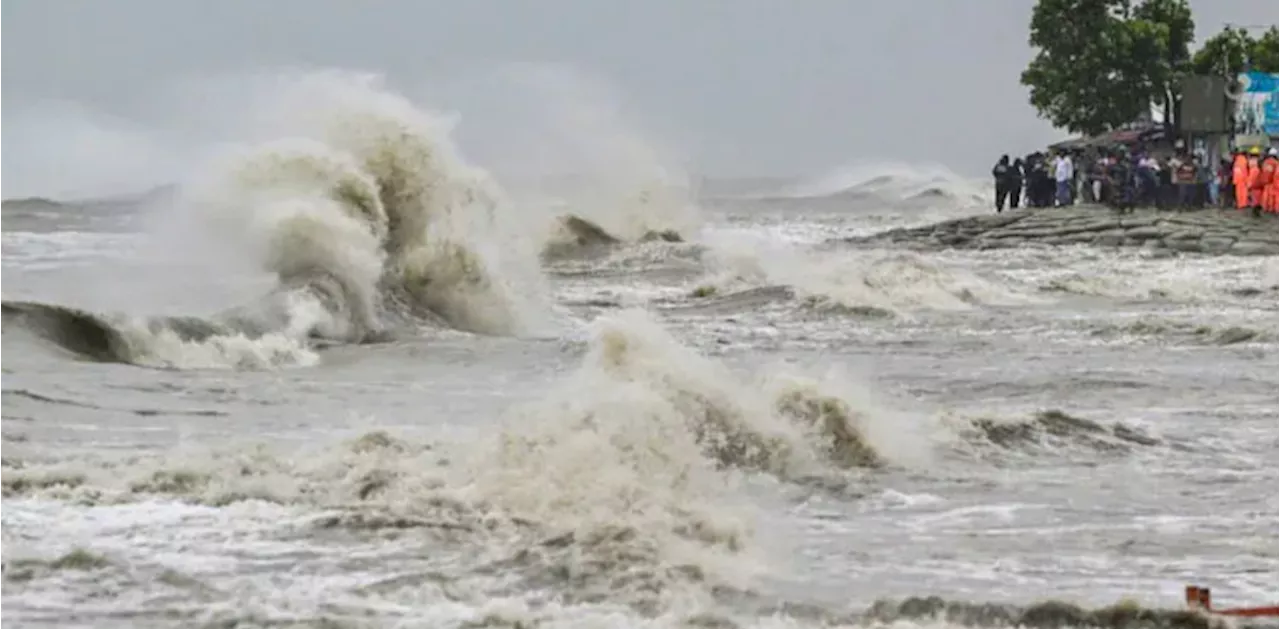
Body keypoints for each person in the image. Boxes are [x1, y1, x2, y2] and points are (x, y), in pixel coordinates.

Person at [1260, 148, 1280, 213]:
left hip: (1265, 181)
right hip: (1273, 182)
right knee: (1275, 196)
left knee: (1266, 195)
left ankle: (1265, 207)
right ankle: (1274, 209)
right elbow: (1277, 174)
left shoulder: (1265, 162)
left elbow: (1263, 171)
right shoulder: (1276, 163)